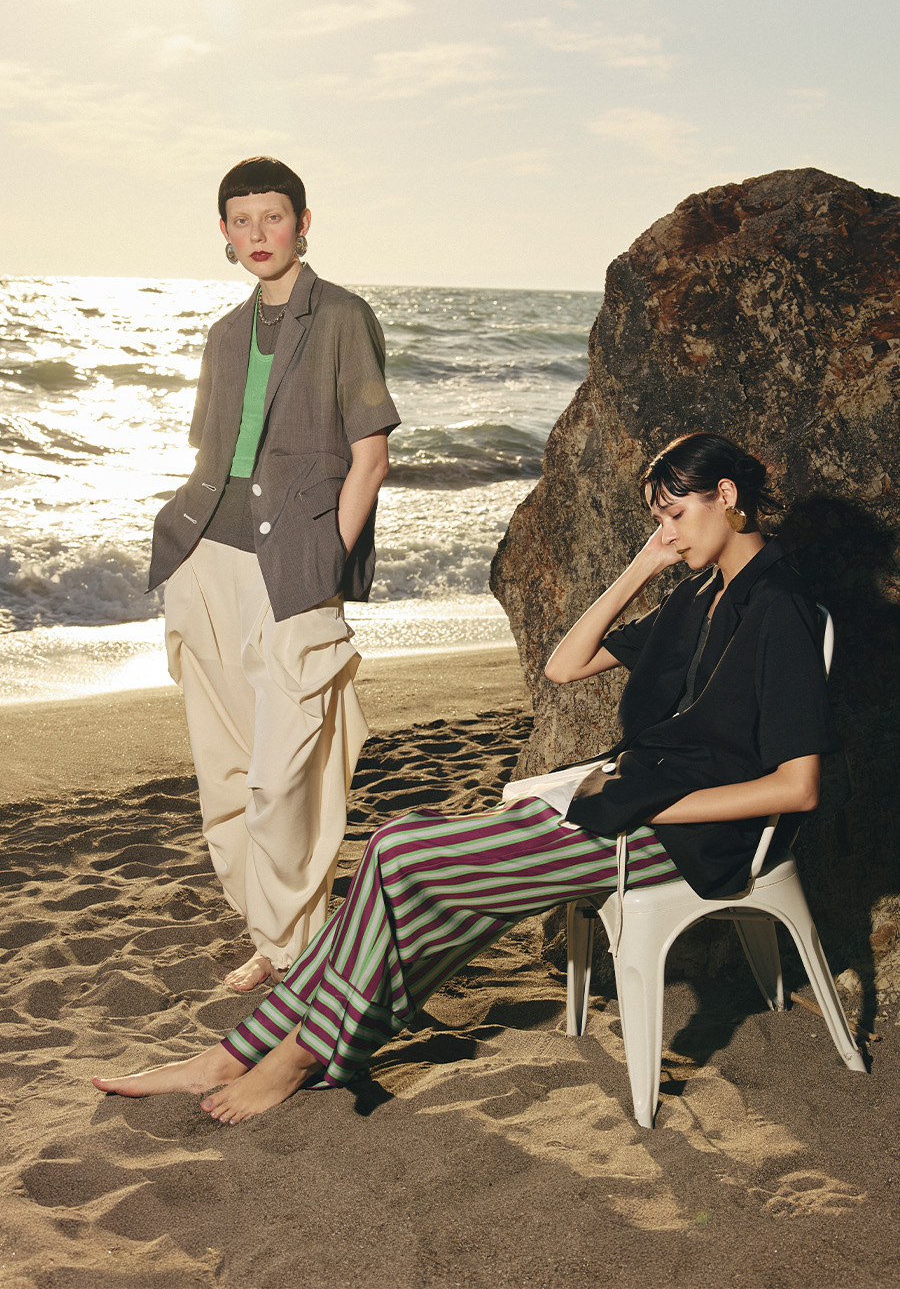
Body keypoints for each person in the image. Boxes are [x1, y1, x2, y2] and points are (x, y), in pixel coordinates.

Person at [95, 432, 838, 1120]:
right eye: (658, 521)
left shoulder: (780, 607)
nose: (668, 533)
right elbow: (565, 666)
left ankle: (288, 1056)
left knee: (398, 854)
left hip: (684, 837)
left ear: (726, 496)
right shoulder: (700, 595)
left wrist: (650, 809)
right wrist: (642, 566)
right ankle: (245, 1054)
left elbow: (796, 787)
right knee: (412, 875)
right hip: (627, 799)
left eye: (675, 516)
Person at [148, 156, 401, 991]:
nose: (258, 234)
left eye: (274, 216)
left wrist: (327, 564)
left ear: (303, 223)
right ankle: (279, 939)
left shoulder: (344, 317)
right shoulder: (224, 335)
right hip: (203, 559)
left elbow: (369, 459)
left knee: (285, 771)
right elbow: (213, 458)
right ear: (224, 232)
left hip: (293, 568)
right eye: (242, 219)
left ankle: (296, 937)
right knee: (224, 770)